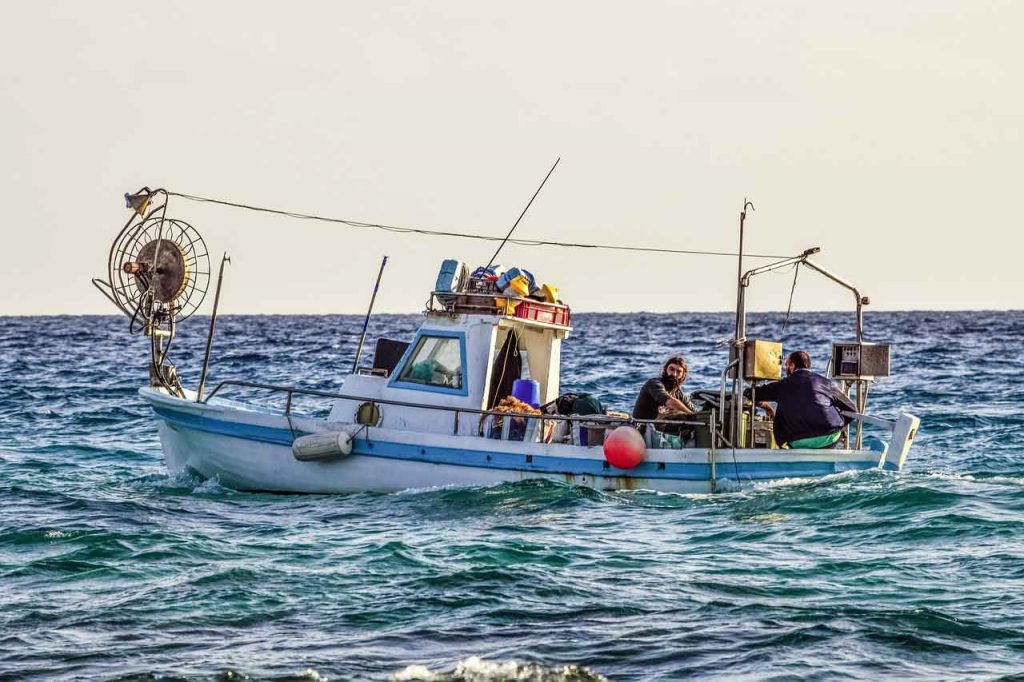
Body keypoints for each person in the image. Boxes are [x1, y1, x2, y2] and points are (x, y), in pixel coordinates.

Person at [750, 350, 855, 448]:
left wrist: (762, 404)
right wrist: (839, 425)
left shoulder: (782, 385)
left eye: (786, 365)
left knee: (783, 406)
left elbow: (752, 394)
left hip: (797, 441)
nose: (786, 368)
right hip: (828, 438)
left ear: (792, 366)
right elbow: (852, 409)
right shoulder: (826, 383)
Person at [632, 355, 696, 426]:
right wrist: (693, 417)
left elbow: (693, 410)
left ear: (683, 376)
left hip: (658, 429)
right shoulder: (654, 384)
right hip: (640, 426)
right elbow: (671, 402)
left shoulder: (678, 393)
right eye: (671, 369)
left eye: (678, 371)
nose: (674, 374)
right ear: (665, 370)